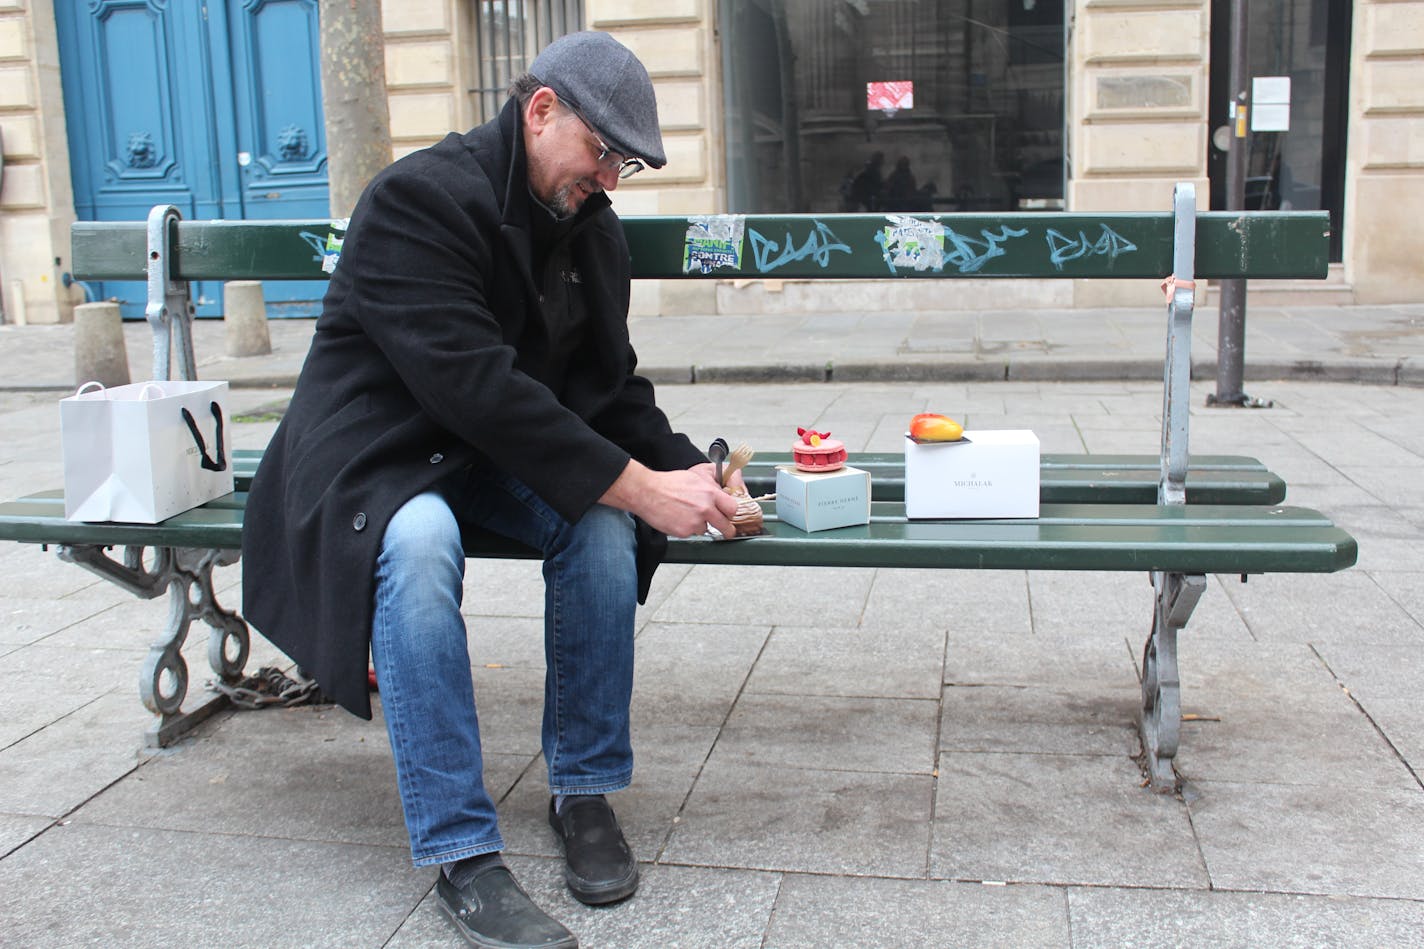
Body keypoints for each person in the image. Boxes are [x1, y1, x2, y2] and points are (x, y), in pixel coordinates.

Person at [241, 31, 741, 949]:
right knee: (421, 541)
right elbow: (475, 386)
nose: (611, 181)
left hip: (486, 450)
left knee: (599, 518)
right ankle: (463, 853)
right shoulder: (419, 200)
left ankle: (583, 790)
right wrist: (640, 486)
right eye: (603, 153)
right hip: (379, 451)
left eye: (625, 163)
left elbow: (608, 386)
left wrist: (684, 473)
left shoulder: (588, 227)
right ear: (540, 108)